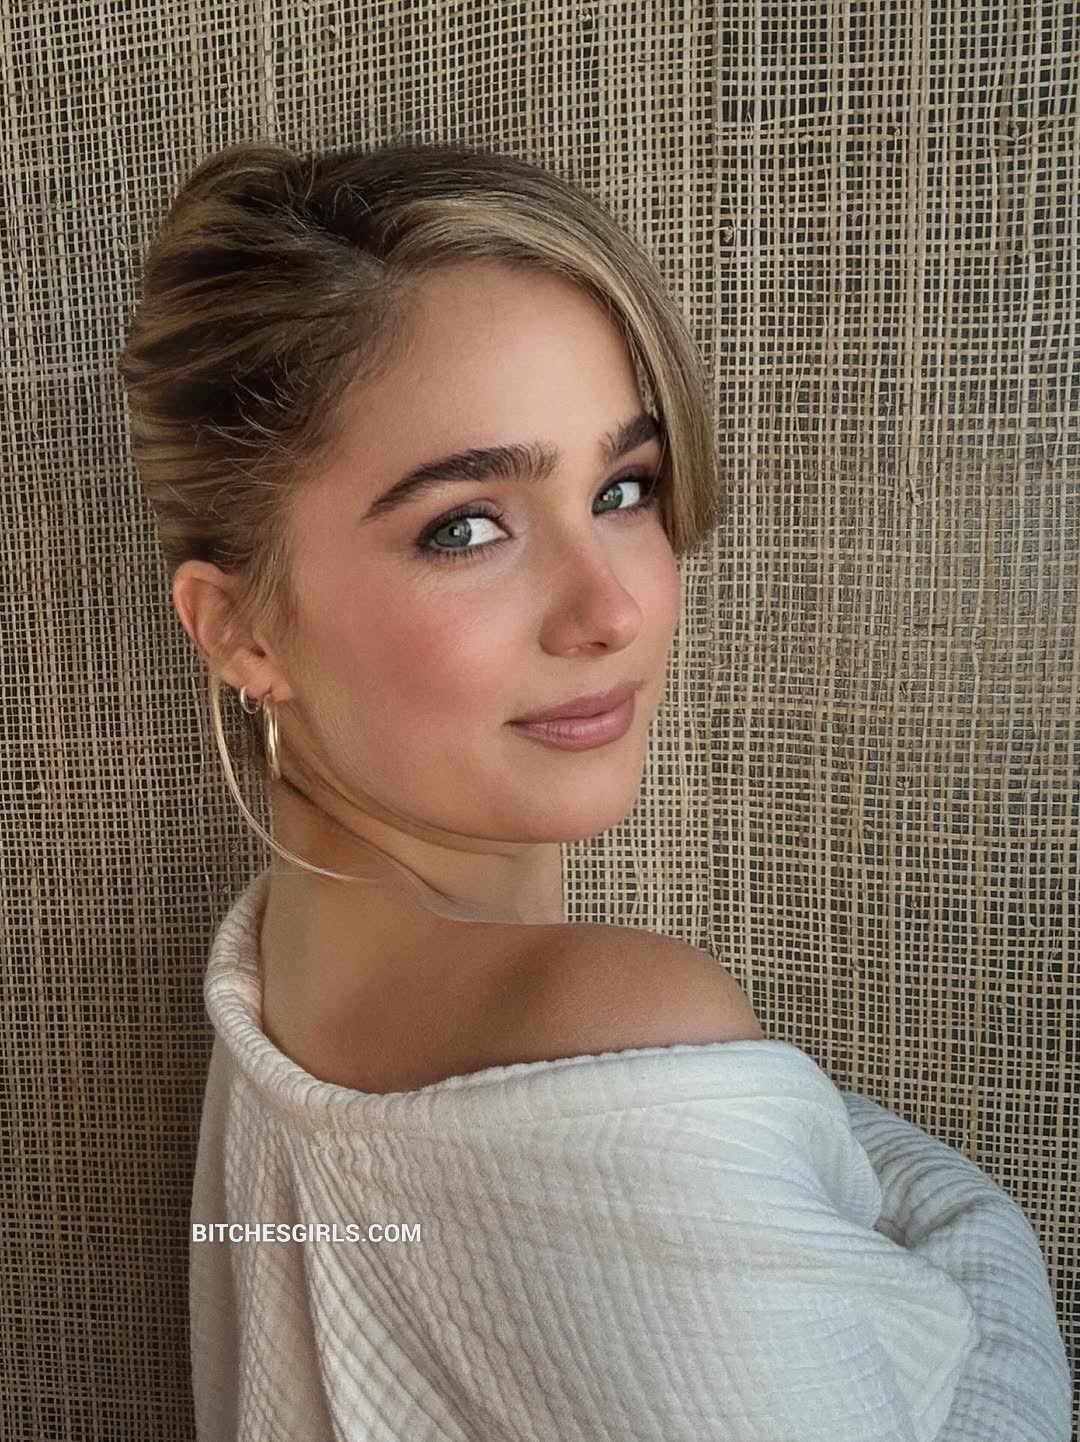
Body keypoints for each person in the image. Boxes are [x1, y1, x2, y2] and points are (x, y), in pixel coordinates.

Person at [117, 138, 1072, 1441]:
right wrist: (977, 1221)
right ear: (240, 629)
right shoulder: (609, 1023)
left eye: (624, 488)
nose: (611, 607)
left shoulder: (281, 967)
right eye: (466, 524)